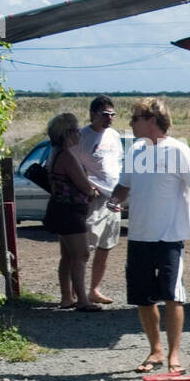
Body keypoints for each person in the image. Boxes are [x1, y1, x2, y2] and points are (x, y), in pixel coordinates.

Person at [109, 97, 190, 375]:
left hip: (170, 237)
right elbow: (124, 185)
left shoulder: (179, 151)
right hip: (139, 236)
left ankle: (174, 355)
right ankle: (155, 350)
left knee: (173, 296)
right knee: (143, 299)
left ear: (152, 120)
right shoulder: (135, 150)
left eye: (135, 118)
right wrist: (114, 200)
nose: (131, 123)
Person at [42, 112, 103, 311]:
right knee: (81, 254)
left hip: (60, 209)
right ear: (68, 132)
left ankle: (67, 297)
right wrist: (94, 191)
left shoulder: (55, 152)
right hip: (71, 211)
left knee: (67, 256)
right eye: (77, 130)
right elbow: (84, 185)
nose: (80, 133)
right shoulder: (67, 156)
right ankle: (82, 300)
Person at [78, 95, 124, 304]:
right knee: (84, 247)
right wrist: (87, 187)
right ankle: (75, 292)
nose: (110, 118)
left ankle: (94, 289)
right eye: (105, 114)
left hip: (113, 198)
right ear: (93, 114)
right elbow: (73, 166)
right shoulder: (81, 137)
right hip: (93, 199)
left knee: (106, 246)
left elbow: (118, 163)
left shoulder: (113, 135)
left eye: (112, 114)